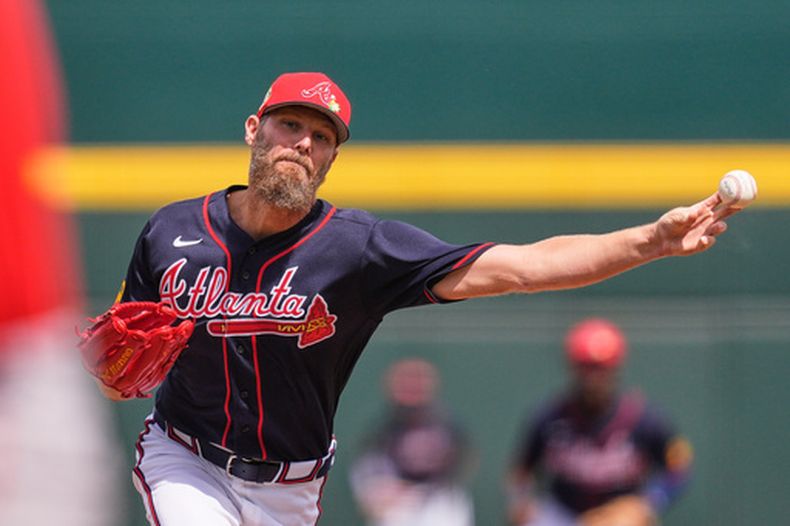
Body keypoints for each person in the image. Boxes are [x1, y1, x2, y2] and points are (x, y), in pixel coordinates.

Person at [86, 71, 735, 526]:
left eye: (322, 138)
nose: (303, 145)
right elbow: (123, 354)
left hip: (292, 485)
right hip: (184, 457)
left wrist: (649, 240)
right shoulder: (170, 231)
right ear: (255, 130)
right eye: (290, 125)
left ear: (332, 160)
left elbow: (521, 268)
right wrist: (113, 377)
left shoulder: (359, 248)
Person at [505, 318, 693, 526]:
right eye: (586, 367)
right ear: (573, 368)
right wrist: (521, 502)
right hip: (562, 514)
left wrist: (648, 503)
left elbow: (678, 468)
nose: (593, 377)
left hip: (617, 515)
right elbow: (521, 471)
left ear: (615, 368)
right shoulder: (550, 417)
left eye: (601, 368)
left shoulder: (644, 418)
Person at [349, 358, 475, 526]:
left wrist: (433, 489)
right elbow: (367, 467)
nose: (412, 388)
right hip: (399, 500)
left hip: (439, 498)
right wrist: (379, 490)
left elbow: (463, 459)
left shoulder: (446, 423)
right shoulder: (384, 427)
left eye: (418, 381)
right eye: (406, 382)